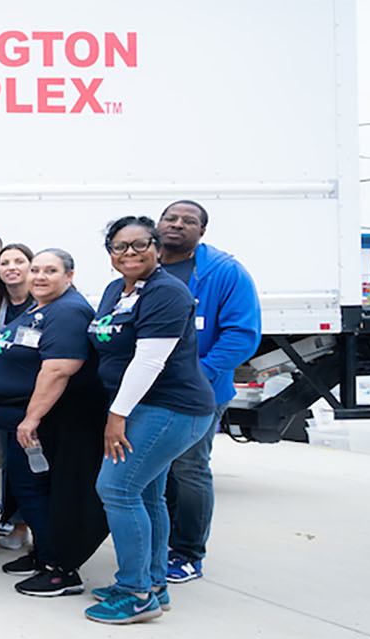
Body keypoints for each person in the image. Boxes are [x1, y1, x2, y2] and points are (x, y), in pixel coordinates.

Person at [83, 216, 218, 625]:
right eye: (120, 246)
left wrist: (116, 416)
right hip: (143, 407)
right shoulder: (114, 291)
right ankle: (153, 584)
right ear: (110, 254)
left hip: (170, 407)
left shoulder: (167, 293)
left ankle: (135, 591)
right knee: (146, 494)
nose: (130, 253)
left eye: (140, 245)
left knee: (116, 487)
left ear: (157, 248)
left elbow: (149, 361)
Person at [0, 248, 109, 597]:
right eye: (35, 269)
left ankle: (60, 569)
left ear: (69, 276)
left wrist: (31, 419)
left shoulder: (68, 311)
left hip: (47, 422)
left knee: (36, 489)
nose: (38, 276)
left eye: (50, 270)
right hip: (22, 416)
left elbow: (58, 369)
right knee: (32, 489)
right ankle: (44, 554)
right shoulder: (41, 309)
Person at [156, 200, 260, 586]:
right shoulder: (149, 267)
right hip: (149, 393)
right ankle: (159, 546)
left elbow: (242, 335)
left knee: (188, 468)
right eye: (170, 218)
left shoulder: (224, 272)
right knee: (155, 471)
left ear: (202, 231)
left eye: (189, 221)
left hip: (200, 393)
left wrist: (199, 374)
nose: (177, 225)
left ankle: (187, 553)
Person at [0, 243, 37, 552]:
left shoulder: (47, 304)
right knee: (8, 465)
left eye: (19, 261)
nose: (11, 267)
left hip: (36, 402)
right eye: (5, 262)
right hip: (1, 402)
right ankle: (15, 520)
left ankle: (29, 527)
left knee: (33, 466)